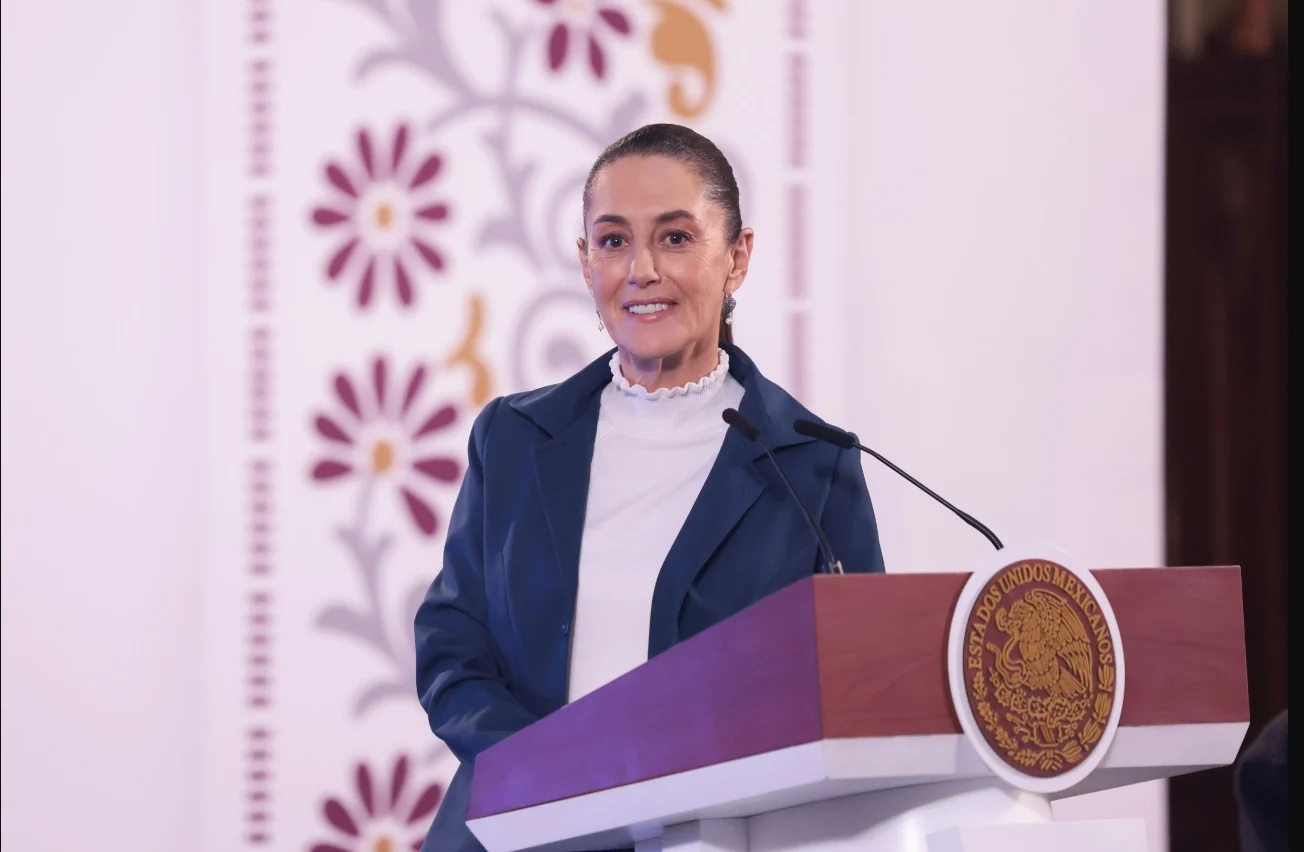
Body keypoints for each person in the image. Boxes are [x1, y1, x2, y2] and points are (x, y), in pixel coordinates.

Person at [413, 123, 886, 850]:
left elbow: (855, 691)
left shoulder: (811, 466)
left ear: (737, 257)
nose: (641, 269)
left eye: (675, 238)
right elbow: (453, 645)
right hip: (509, 833)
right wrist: (548, 771)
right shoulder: (512, 439)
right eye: (613, 241)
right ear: (585, 261)